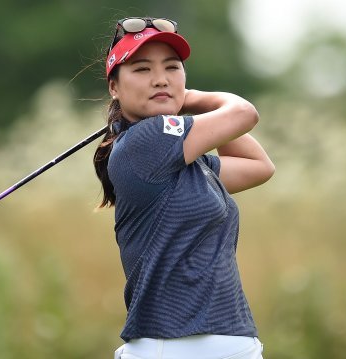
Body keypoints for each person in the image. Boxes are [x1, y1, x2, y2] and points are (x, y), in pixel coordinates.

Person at [93, 17, 275, 359]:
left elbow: (259, 167)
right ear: (114, 87)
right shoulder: (148, 141)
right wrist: (189, 99)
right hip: (173, 347)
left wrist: (177, 100)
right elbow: (244, 113)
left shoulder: (189, 162)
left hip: (229, 341)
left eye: (172, 68)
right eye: (142, 69)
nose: (160, 79)